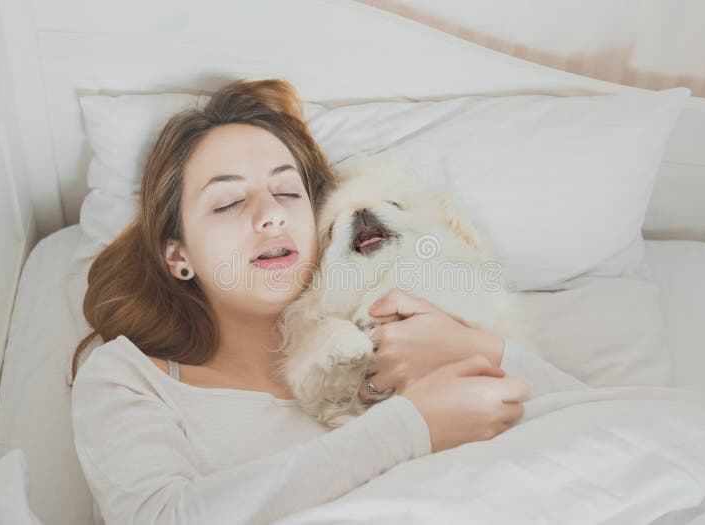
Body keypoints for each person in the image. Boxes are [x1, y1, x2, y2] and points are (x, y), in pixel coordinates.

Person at [69, 78, 587, 525]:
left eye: (288, 193)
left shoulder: (402, 337)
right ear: (178, 255)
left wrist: (482, 349)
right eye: (227, 201)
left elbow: (606, 434)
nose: (269, 213)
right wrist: (411, 426)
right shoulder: (127, 378)